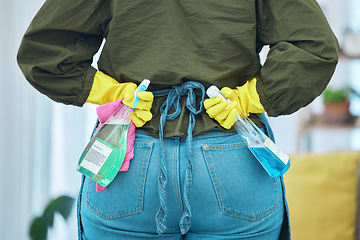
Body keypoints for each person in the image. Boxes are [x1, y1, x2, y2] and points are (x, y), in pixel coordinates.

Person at [17, 0, 339, 239]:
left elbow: (44, 51)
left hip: (130, 167)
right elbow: (314, 48)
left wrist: (115, 92)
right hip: (231, 164)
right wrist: (245, 99)